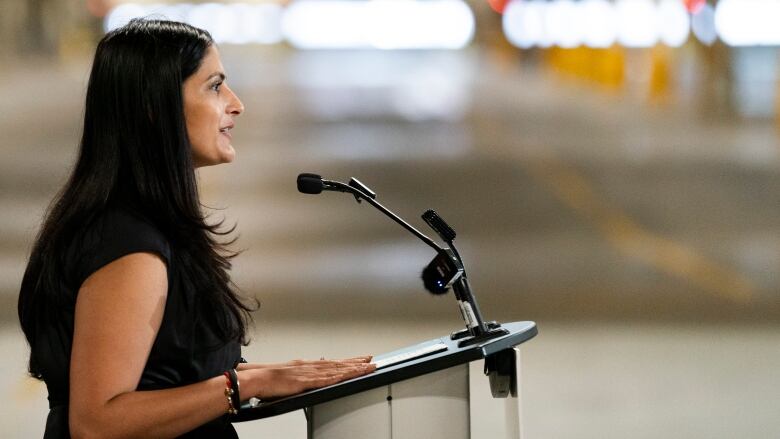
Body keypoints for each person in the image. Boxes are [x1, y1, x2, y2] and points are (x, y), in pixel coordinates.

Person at [17, 19, 375, 438]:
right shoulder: (130, 247)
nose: (236, 104)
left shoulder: (144, 224)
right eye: (214, 86)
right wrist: (246, 384)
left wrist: (279, 373)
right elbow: (97, 422)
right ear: (155, 106)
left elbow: (167, 373)